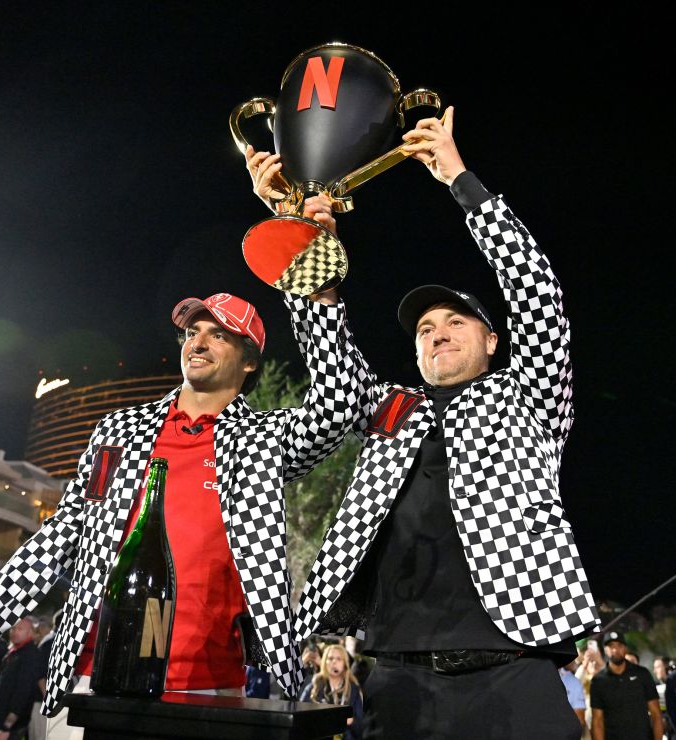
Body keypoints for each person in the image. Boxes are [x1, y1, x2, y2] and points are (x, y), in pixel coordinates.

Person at [252, 106, 600, 739]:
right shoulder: (391, 406)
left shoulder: (528, 395)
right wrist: (302, 240)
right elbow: (332, 371)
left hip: (513, 670)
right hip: (397, 677)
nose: (437, 334)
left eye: (455, 323)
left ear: (493, 342)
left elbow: (538, 296)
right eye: (424, 330)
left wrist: (461, 181)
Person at [0, 273, 361, 729]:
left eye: (218, 335)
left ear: (250, 360)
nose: (197, 343)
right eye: (192, 332)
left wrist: (314, 280)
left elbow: (341, 403)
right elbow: (56, 539)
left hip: (206, 688)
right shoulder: (119, 431)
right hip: (90, 681)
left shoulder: (266, 439)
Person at [590, 631, 662, 740]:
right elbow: (597, 721)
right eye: (611, 646)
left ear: (625, 648)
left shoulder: (642, 674)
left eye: (619, 645)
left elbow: (656, 714)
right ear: (605, 649)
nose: (615, 650)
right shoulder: (598, 681)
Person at [0, 619, 42, 740]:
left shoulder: (30, 655)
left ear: (30, 633)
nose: (15, 632)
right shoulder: (12, 652)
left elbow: (23, 692)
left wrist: (7, 727)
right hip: (0, 721)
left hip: (12, 726)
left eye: (20, 629)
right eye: (13, 628)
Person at [301, 643, 363, 740]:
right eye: (330, 658)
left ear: (345, 664)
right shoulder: (314, 687)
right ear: (324, 662)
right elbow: (300, 718)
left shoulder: (353, 690)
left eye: (339, 659)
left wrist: (351, 721)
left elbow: (361, 726)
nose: (334, 662)